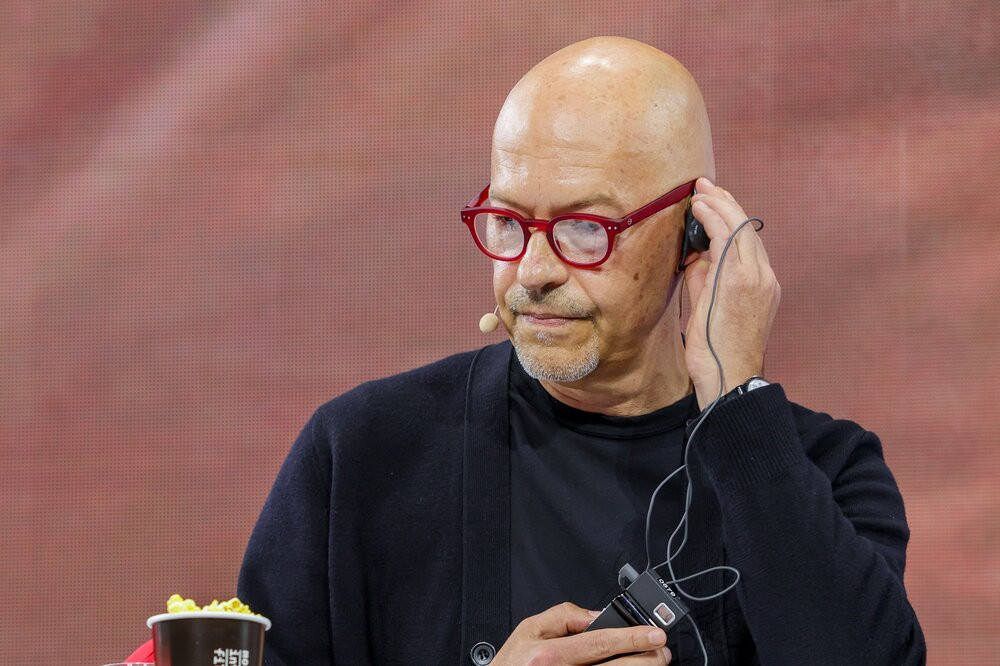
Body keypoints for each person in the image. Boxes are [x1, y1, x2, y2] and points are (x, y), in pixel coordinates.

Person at [238, 37, 925, 665]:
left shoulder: (823, 470)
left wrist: (739, 402)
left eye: (585, 228)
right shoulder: (361, 455)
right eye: (507, 222)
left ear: (692, 233)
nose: (533, 270)